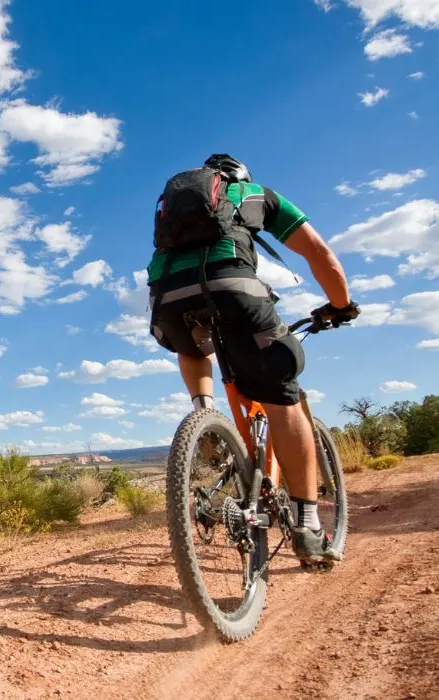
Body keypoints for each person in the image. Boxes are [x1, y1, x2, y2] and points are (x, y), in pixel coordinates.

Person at [147, 153, 359, 564]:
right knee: (283, 395)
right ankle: (308, 525)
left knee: (192, 344)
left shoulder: (171, 206)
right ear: (241, 177)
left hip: (166, 298)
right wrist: (341, 305)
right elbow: (318, 252)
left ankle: (204, 415)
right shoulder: (257, 194)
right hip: (234, 288)